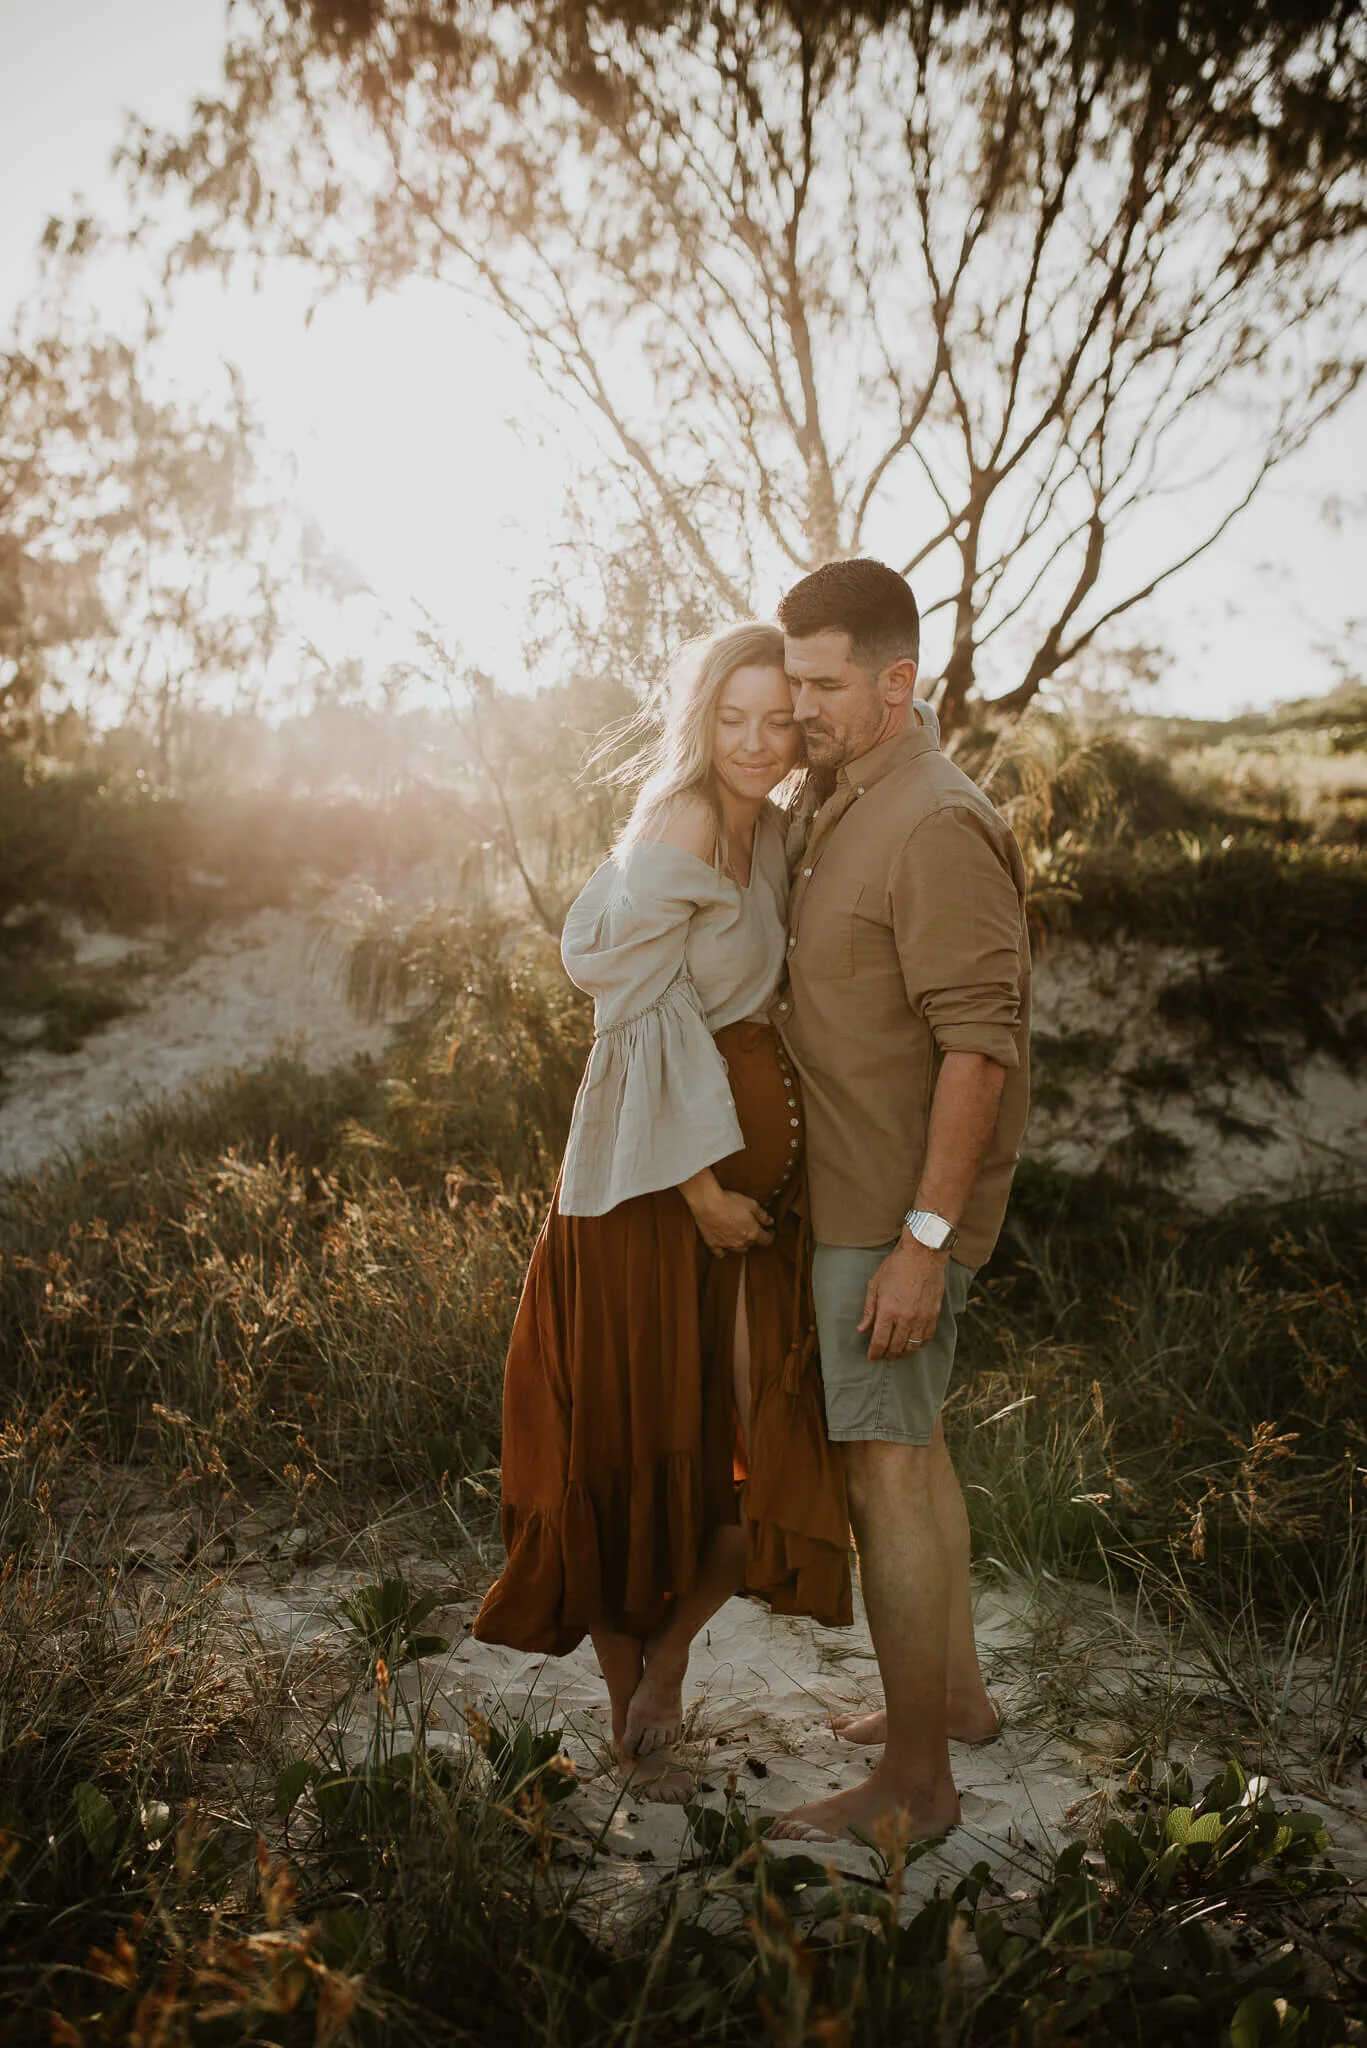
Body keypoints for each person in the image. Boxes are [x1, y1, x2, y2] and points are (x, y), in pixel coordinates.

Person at [472, 620, 851, 1801]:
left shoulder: (778, 827)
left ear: (800, 724)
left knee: (756, 1435)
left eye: (775, 718)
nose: (753, 740)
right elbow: (630, 1022)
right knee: (628, 1439)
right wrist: (697, 1185)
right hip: (644, 1190)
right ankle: (635, 1707)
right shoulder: (684, 822)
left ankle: (673, 1656)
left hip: (730, 1197)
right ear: (701, 720)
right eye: (730, 717)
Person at [767, 559, 1031, 1845]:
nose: (798, 703)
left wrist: (921, 1244)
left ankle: (917, 1781)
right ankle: (961, 1698)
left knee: (883, 1475)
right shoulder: (846, 797)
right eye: (792, 678)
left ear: (896, 680)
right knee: (914, 1460)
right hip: (855, 1202)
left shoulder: (932, 821)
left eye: (821, 683)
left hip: (890, 1217)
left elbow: (979, 1046)